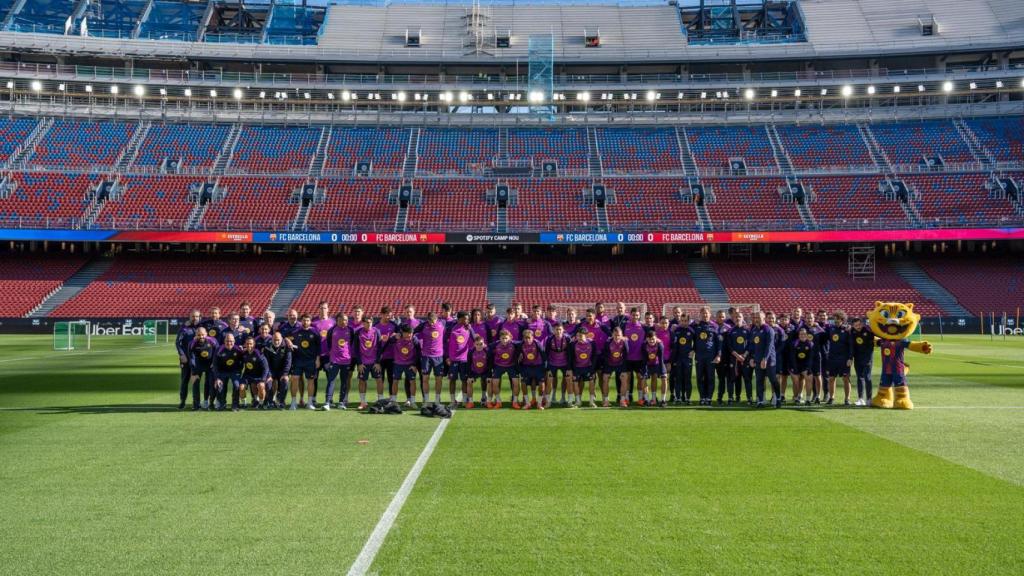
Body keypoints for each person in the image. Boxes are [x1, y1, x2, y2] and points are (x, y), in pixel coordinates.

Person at [288, 314, 321, 410]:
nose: (305, 322)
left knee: (310, 381)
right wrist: (287, 340)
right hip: (298, 360)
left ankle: (310, 403)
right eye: (304, 320)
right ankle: (293, 402)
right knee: (294, 379)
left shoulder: (315, 332)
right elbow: (283, 337)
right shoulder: (295, 332)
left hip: (310, 360)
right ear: (301, 321)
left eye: (307, 320)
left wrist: (317, 359)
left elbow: (319, 347)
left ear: (310, 321)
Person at [415, 311, 447, 406]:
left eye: (434, 321)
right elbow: (412, 331)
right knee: (425, 378)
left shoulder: (442, 323)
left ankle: (437, 399)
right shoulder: (423, 325)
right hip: (426, 356)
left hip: (438, 356)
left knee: (439, 379)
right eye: (430, 321)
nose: (432, 323)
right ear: (427, 320)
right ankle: (426, 400)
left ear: (437, 319)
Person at [324, 313, 354, 411]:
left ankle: (341, 402)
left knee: (344, 381)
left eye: (345, 319)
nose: (344, 321)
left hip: (346, 360)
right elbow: (328, 343)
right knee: (331, 381)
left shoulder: (350, 330)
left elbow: (352, 343)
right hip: (334, 360)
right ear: (337, 320)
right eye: (341, 319)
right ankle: (327, 402)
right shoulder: (332, 330)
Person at [824, 311, 855, 406]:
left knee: (846, 378)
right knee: (831, 378)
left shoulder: (847, 330)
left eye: (837, 319)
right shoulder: (830, 329)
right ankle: (831, 398)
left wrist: (850, 358)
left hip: (844, 358)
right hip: (832, 358)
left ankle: (847, 399)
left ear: (842, 319)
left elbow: (851, 345)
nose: (835, 320)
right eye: (834, 319)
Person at [175, 309, 203, 410]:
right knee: (184, 381)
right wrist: (182, 355)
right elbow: (178, 343)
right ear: (189, 317)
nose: (194, 318)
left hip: (198, 360)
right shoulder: (184, 328)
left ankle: (196, 403)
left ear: (200, 317)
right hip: (186, 359)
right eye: (193, 316)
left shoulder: (203, 328)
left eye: (196, 316)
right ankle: (182, 401)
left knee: (196, 381)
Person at [751, 311, 780, 408]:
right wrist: (752, 358)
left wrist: (765, 359)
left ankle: (778, 399)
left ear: (764, 318)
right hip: (758, 360)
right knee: (759, 380)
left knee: (773, 380)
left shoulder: (769, 330)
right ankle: (760, 401)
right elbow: (752, 346)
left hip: (769, 360)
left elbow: (769, 346)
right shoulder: (754, 330)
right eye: (755, 317)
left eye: (759, 317)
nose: (757, 319)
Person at [693, 307, 720, 406]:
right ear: (700, 314)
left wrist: (718, 355)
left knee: (710, 378)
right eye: (703, 313)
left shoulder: (714, 326)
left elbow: (718, 343)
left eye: (706, 313)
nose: (705, 315)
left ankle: (709, 398)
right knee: (700, 378)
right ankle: (702, 397)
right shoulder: (696, 326)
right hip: (699, 356)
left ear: (710, 314)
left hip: (711, 356)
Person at [187, 326, 218, 410]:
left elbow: (217, 353)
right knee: (195, 384)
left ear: (206, 334)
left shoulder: (212, 341)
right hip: (198, 366)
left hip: (210, 366)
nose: (201, 337)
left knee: (211, 384)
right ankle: (196, 404)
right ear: (196, 335)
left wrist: (213, 364)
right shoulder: (192, 343)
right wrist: (193, 371)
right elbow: (191, 357)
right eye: (199, 335)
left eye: (203, 335)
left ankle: (210, 403)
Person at [445, 312, 472, 407]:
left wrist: (471, 328)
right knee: (452, 380)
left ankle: (464, 400)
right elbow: (445, 342)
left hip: (464, 359)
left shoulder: (468, 328)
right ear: (459, 319)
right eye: (465, 318)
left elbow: (475, 337)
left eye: (468, 319)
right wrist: (447, 356)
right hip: (453, 359)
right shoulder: (451, 328)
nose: (467, 320)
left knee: (464, 380)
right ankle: (452, 400)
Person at [355, 316, 383, 408]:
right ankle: (363, 402)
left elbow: (379, 348)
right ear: (363, 323)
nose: (369, 324)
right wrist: (359, 363)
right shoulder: (358, 332)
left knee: (379, 380)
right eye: (367, 322)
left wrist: (378, 362)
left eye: (370, 322)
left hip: (375, 362)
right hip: (363, 362)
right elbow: (356, 349)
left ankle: (380, 401)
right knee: (362, 381)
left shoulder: (376, 331)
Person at [212, 332, 244, 411]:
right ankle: (222, 403)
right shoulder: (219, 350)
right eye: (227, 341)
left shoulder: (238, 350)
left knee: (237, 385)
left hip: (234, 371)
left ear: (234, 341)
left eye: (231, 341)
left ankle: (235, 404)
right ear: (224, 341)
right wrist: (217, 377)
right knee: (220, 385)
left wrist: (239, 372)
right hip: (222, 372)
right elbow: (215, 365)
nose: (229, 343)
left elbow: (242, 362)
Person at [726, 312, 753, 405]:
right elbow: (729, 346)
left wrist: (744, 356)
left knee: (747, 378)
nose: (738, 318)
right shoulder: (730, 331)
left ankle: (749, 398)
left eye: (740, 317)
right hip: (734, 358)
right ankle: (732, 397)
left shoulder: (748, 330)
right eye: (736, 317)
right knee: (733, 378)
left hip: (745, 358)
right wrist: (737, 356)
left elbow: (750, 344)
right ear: (733, 319)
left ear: (743, 318)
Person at [311, 301, 335, 405]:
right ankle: (313, 399)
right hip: (316, 355)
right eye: (321, 308)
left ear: (328, 309)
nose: (323, 310)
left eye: (325, 308)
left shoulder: (333, 322)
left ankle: (329, 399)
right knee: (314, 378)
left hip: (328, 356)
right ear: (318, 309)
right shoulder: (313, 322)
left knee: (330, 378)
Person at [545, 322, 575, 407]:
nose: (558, 331)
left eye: (560, 329)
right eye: (556, 329)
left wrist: (569, 367)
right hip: (552, 363)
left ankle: (569, 401)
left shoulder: (567, 339)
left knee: (569, 381)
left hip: (565, 363)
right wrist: (547, 367)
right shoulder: (549, 339)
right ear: (553, 331)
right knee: (549, 381)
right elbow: (546, 354)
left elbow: (570, 354)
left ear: (563, 330)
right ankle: (548, 401)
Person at [375, 306, 400, 404]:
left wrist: (396, 337)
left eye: (390, 316)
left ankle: (391, 399)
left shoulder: (394, 325)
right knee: (380, 379)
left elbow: (399, 337)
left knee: (391, 379)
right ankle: (380, 398)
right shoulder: (376, 326)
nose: (389, 317)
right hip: (380, 357)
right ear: (381, 314)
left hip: (392, 356)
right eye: (387, 315)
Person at [262, 330, 291, 409]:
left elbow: (288, 362)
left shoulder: (286, 347)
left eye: (278, 340)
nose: (276, 341)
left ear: (281, 339)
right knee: (268, 382)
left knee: (285, 381)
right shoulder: (267, 347)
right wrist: (269, 375)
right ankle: (270, 402)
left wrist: (285, 374)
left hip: (282, 371)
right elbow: (266, 363)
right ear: (272, 339)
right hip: (271, 370)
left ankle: (281, 401)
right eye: (275, 339)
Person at [490, 329, 519, 409]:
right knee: (495, 383)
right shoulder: (495, 345)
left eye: (506, 338)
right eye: (503, 338)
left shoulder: (514, 344)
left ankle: (515, 402)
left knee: (516, 383)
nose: (505, 340)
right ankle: (498, 402)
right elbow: (487, 348)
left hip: (511, 366)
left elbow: (523, 344)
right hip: (499, 366)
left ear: (509, 338)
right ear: (500, 338)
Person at [392, 325, 421, 405]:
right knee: (395, 381)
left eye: (411, 333)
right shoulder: (397, 338)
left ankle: (413, 401)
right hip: (398, 363)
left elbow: (419, 352)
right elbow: (388, 342)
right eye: (408, 333)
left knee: (412, 382)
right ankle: (393, 401)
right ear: (403, 333)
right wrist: (394, 337)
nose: (410, 335)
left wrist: (415, 364)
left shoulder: (414, 339)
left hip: (410, 364)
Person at [518, 329, 547, 410]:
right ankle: (527, 403)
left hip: (538, 366)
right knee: (523, 383)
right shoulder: (521, 345)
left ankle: (539, 403)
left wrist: (544, 368)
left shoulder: (537, 343)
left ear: (532, 337)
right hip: (526, 367)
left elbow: (544, 356)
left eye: (529, 338)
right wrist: (519, 367)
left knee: (542, 384)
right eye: (525, 338)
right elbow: (517, 357)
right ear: (523, 338)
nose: (527, 340)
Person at [622, 307, 646, 404]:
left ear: (639, 316)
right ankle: (627, 398)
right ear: (630, 315)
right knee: (627, 378)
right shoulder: (625, 326)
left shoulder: (643, 327)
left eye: (637, 315)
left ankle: (640, 398)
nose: (635, 317)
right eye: (633, 315)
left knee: (640, 378)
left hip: (639, 357)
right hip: (628, 357)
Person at [669, 314, 694, 404]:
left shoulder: (691, 331)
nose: (684, 322)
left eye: (685, 321)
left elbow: (697, 342)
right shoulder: (676, 331)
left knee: (687, 379)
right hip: (678, 358)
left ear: (688, 321)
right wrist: (673, 360)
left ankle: (688, 398)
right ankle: (678, 398)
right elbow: (673, 345)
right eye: (682, 321)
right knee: (678, 379)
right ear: (680, 321)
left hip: (687, 359)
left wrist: (693, 350)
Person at [239, 336, 270, 409]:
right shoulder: (244, 353)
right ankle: (244, 404)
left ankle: (261, 403)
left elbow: (266, 368)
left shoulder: (258, 354)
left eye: (250, 344)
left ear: (254, 344)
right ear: (245, 344)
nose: (249, 345)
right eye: (247, 344)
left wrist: (263, 379)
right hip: (248, 375)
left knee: (261, 386)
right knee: (241, 387)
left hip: (259, 375)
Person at [851, 317, 875, 407]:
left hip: (867, 358)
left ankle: (869, 399)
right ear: (853, 326)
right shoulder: (852, 332)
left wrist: (868, 359)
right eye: (856, 325)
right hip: (857, 358)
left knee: (867, 377)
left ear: (862, 323)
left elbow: (871, 347)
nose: (858, 327)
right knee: (859, 377)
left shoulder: (868, 331)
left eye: (859, 324)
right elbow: (852, 346)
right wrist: (851, 357)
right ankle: (860, 399)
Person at [569, 328, 596, 407]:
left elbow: (594, 356)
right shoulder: (573, 344)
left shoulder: (592, 343)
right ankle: (578, 401)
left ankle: (591, 401)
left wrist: (593, 369)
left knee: (591, 382)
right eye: (577, 336)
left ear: (586, 336)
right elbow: (570, 358)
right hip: (577, 368)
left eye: (580, 336)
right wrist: (571, 369)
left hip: (588, 367)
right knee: (575, 383)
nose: (579, 337)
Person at [641, 329, 667, 407]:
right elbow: (644, 360)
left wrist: (662, 372)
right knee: (643, 379)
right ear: (647, 339)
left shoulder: (660, 345)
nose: (651, 341)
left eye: (653, 339)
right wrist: (644, 372)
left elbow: (661, 359)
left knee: (664, 378)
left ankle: (662, 400)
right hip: (647, 364)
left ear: (656, 338)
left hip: (657, 363)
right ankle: (646, 399)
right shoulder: (644, 345)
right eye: (650, 339)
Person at [605, 327, 630, 408]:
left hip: (621, 364)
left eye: (619, 335)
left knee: (624, 378)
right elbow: (605, 354)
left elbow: (626, 354)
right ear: (612, 335)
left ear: (621, 335)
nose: (617, 337)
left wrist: (624, 366)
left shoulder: (624, 342)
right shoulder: (608, 342)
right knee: (605, 379)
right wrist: (607, 366)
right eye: (615, 335)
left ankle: (622, 400)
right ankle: (606, 400)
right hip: (610, 363)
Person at [790, 328, 814, 405]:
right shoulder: (794, 343)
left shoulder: (810, 344)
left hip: (805, 365)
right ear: (798, 335)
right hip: (794, 364)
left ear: (807, 335)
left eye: (804, 334)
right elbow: (792, 358)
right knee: (796, 380)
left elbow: (810, 358)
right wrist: (795, 369)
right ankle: (796, 398)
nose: (802, 335)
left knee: (809, 377)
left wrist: (808, 368)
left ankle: (808, 399)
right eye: (801, 334)